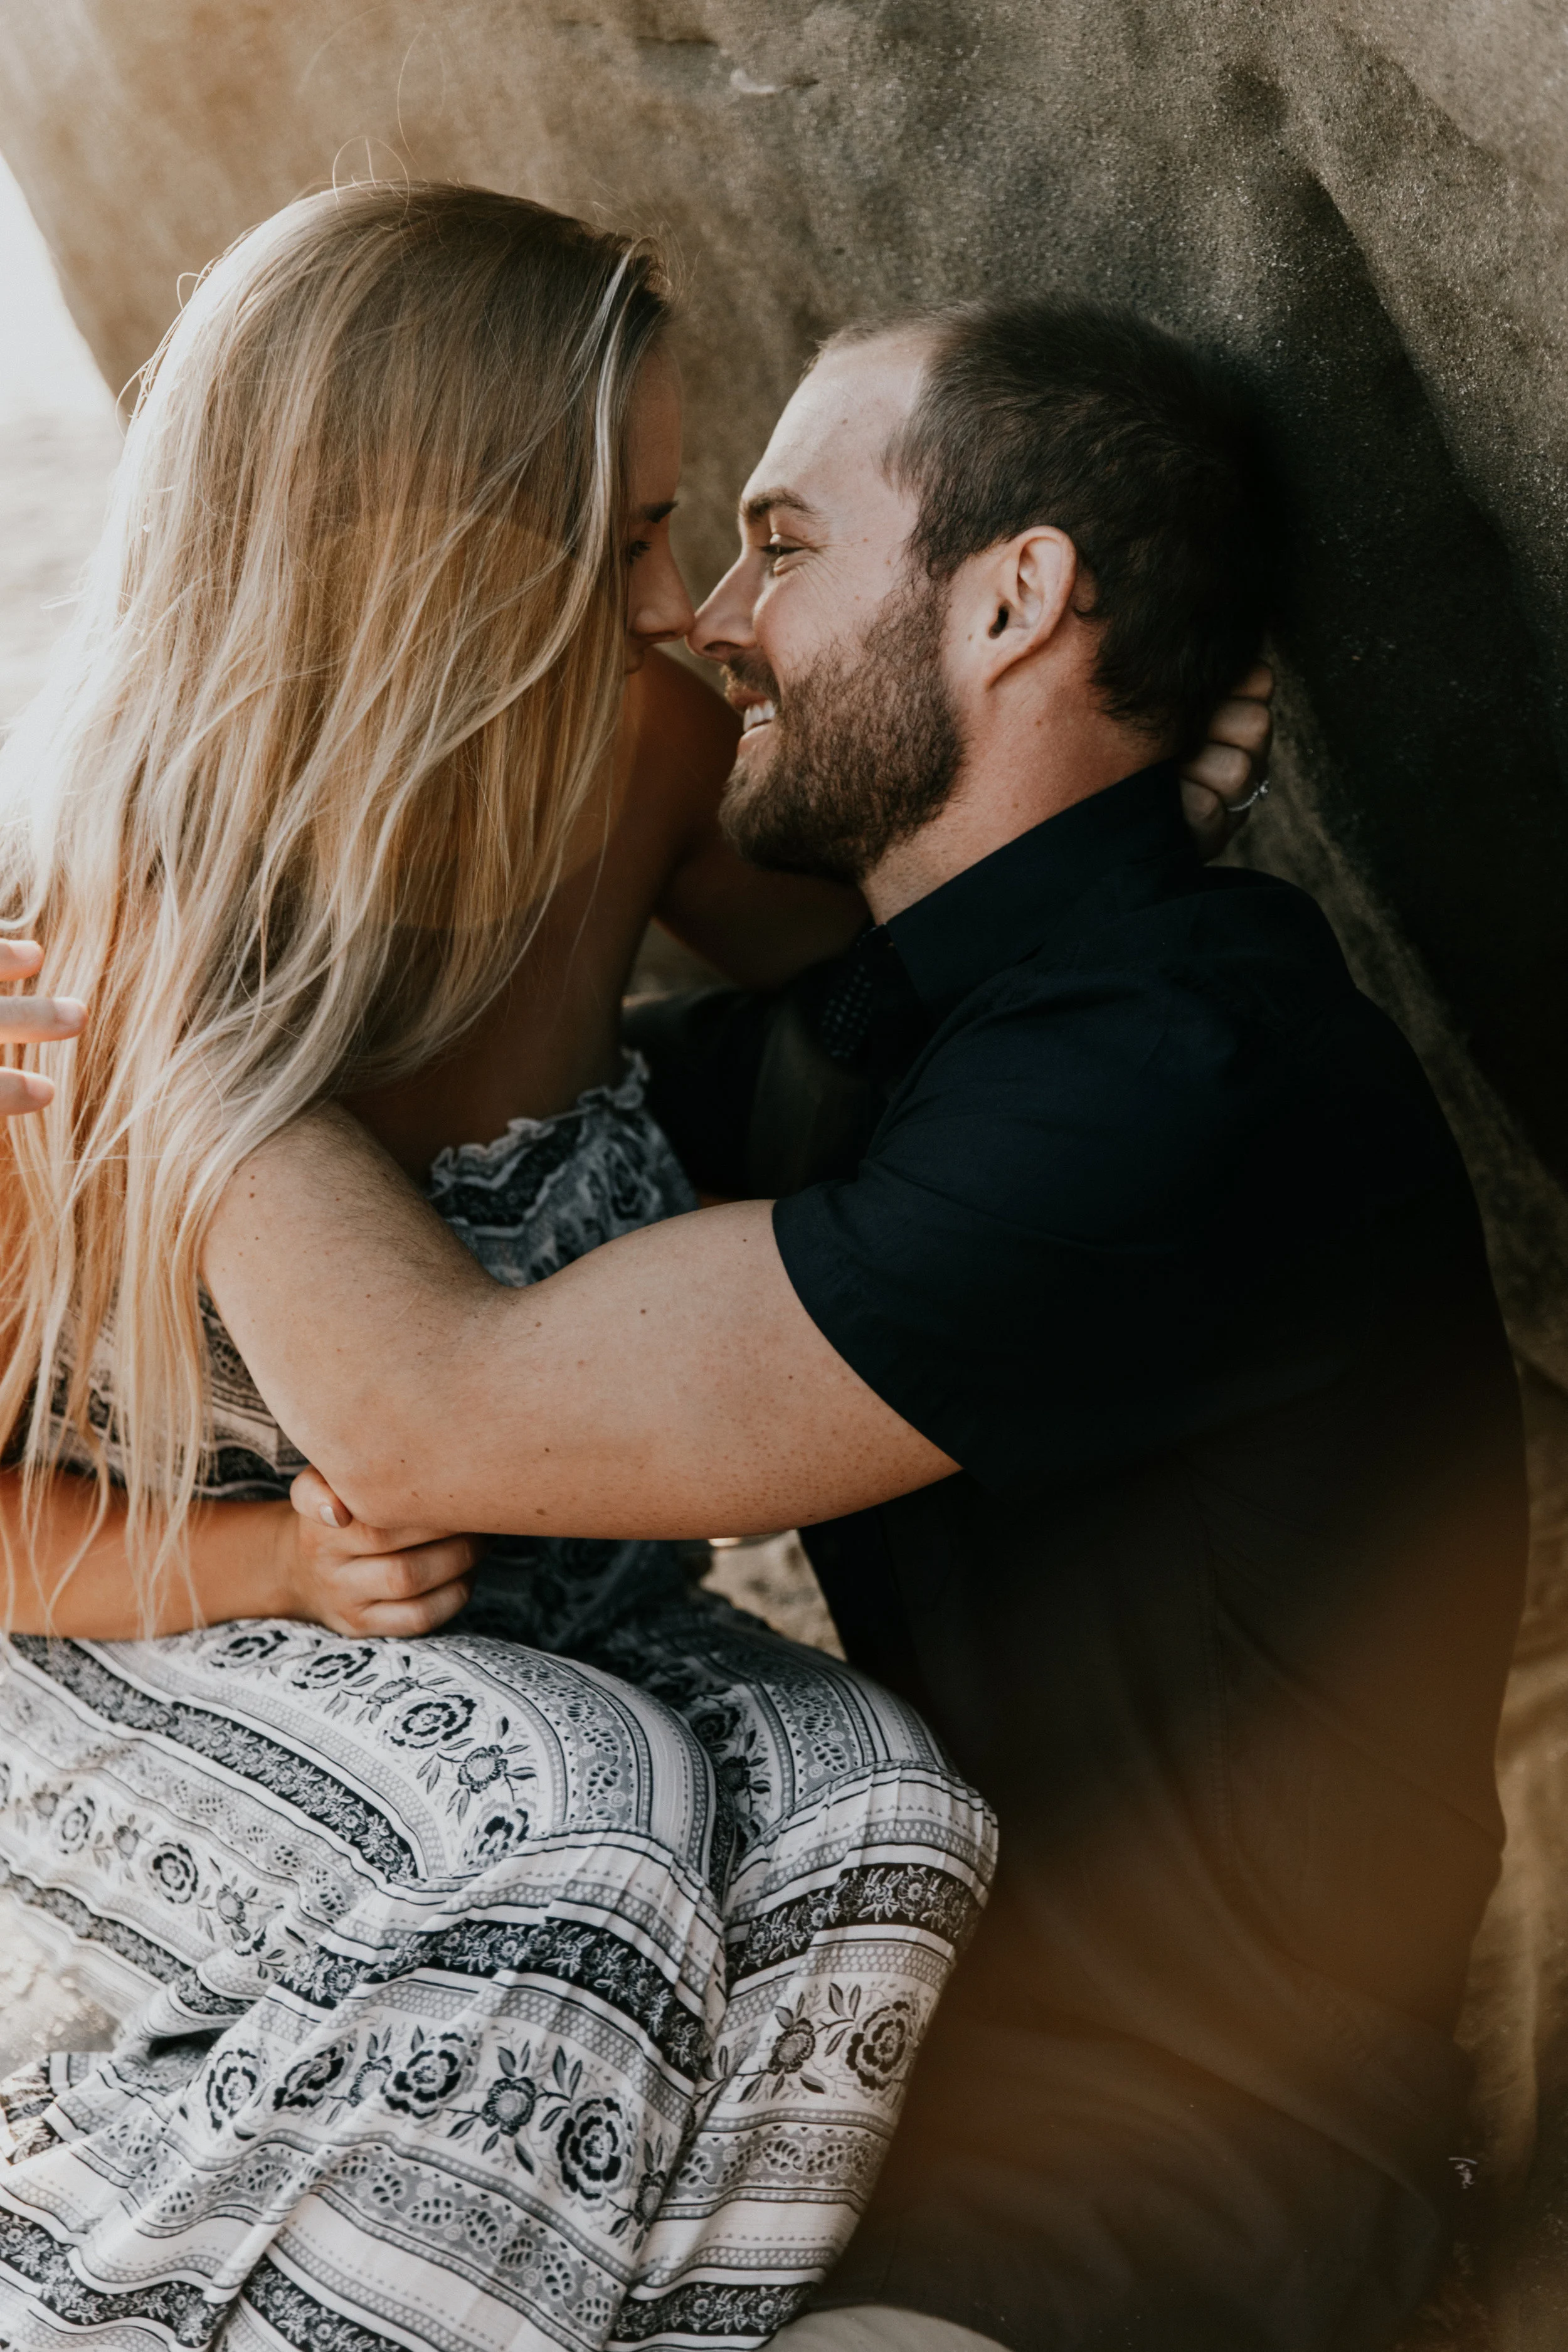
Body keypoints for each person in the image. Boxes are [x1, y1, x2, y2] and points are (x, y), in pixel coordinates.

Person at [184, 300, 1528, 2352]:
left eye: (780, 545)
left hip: (1179, 2136)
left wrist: (166, 1036)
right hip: (847, 2033)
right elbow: (480, 1148)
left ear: (1012, 601)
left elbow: (432, 1413)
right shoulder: (944, 1025)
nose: (713, 618)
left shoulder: (1175, 1080)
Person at [0, 187, 1260, 2352]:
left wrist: (1112, 822)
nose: (678, 608)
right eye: (623, 536)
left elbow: (909, 972)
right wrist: (271, 1568)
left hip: (566, 1631)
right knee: (586, 1830)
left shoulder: (638, 751)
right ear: (410, 539)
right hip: (139, 1661)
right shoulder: (69, 934)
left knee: (886, 1813)